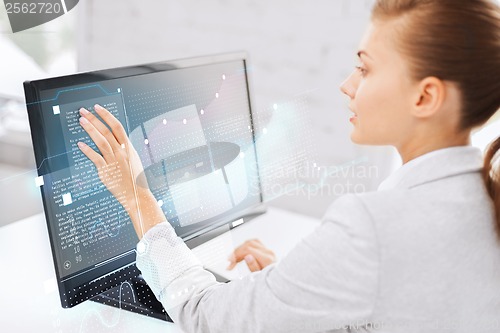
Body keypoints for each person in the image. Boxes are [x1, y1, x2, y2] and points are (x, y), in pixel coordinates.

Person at [76, 0, 500, 331]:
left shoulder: (375, 226)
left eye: (365, 68)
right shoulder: (483, 197)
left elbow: (206, 318)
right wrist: (304, 289)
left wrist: (136, 193)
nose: (347, 84)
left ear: (425, 97)